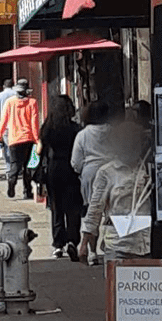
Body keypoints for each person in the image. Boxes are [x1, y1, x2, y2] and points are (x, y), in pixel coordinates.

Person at [78, 110, 154, 321]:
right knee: (116, 300)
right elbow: (95, 208)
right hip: (117, 242)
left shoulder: (148, 170)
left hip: (145, 243)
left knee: (142, 301)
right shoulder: (107, 172)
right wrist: (85, 241)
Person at [39, 94, 82, 259]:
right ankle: (72, 240)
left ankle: (58, 244)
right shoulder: (75, 129)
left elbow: (40, 151)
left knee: (56, 208)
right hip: (71, 168)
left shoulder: (47, 129)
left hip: (53, 168)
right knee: (73, 207)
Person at [71, 100, 113, 261]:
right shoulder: (113, 132)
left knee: (92, 211)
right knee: (111, 212)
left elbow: (75, 161)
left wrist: (83, 170)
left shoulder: (83, 135)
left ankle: (92, 251)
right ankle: (110, 245)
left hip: (90, 174)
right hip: (112, 172)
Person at [0, 78, 40, 198]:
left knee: (15, 164)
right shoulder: (32, 102)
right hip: (29, 138)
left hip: (14, 139)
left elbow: (3, 121)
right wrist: (37, 139)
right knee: (28, 166)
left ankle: (12, 182)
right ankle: (27, 191)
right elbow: (34, 123)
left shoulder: (10, 102)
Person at [0, 78, 16, 177]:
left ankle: (9, 169)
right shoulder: (17, 94)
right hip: (17, 125)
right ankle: (17, 167)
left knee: (7, 147)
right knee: (17, 147)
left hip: (5, 126)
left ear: (4, 86)